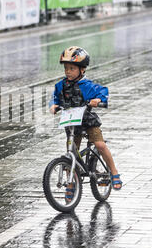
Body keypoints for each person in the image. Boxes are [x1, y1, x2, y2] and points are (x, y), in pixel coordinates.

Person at [49, 46, 122, 198]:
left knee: (100, 144)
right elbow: (55, 97)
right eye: (66, 68)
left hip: (88, 120)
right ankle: (71, 183)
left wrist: (98, 100)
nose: (68, 71)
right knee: (71, 153)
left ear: (82, 70)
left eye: (72, 68)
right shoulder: (61, 86)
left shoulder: (87, 85)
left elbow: (103, 91)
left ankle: (114, 172)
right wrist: (54, 105)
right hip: (72, 122)